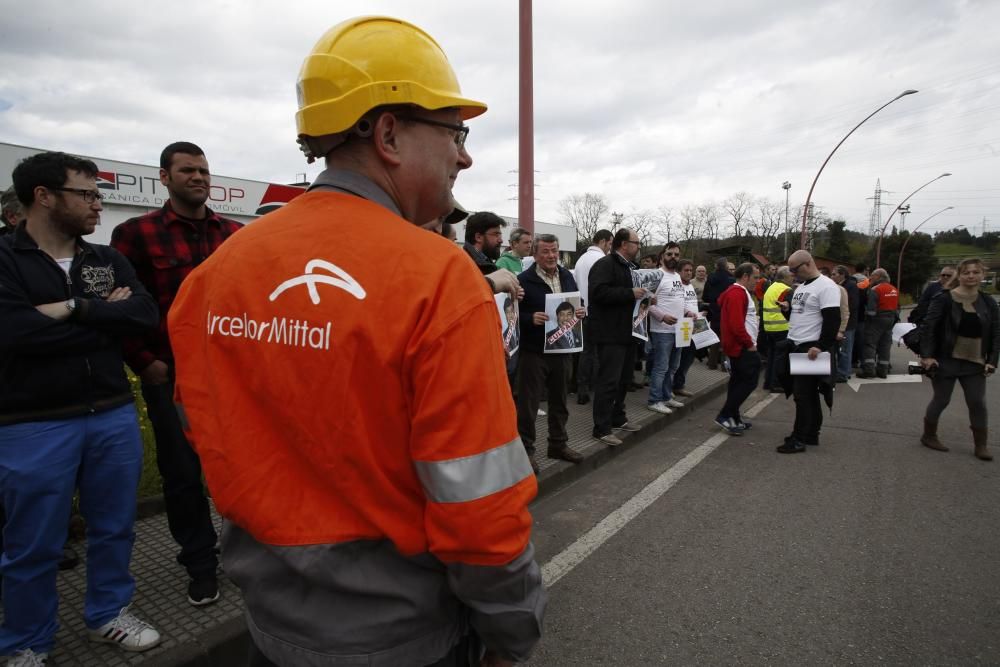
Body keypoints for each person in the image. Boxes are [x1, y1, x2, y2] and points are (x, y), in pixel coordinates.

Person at [167, 16, 545, 667]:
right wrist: (512, 631)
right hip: (407, 638)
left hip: (270, 630)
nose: (465, 155)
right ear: (390, 133)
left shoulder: (215, 275)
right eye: (456, 131)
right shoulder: (437, 276)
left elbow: (208, 433)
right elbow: (479, 502)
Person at [0, 152, 162, 664]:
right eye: (86, 194)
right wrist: (101, 321)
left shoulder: (105, 259)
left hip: (111, 413)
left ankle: (107, 614)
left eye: (99, 194)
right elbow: (14, 334)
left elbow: (142, 314)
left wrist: (73, 309)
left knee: (114, 526)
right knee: (32, 543)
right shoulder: (5, 260)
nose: (98, 204)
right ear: (44, 196)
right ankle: (25, 642)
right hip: (32, 422)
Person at [111, 142, 241, 607]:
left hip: (230, 376)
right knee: (183, 474)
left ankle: (245, 553)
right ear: (163, 177)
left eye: (204, 170)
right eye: (187, 170)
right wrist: (146, 364)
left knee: (238, 464)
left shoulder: (234, 233)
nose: (199, 177)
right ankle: (200, 563)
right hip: (172, 376)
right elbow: (122, 309)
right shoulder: (135, 234)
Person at [516, 234, 586, 472]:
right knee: (529, 404)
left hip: (563, 349)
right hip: (534, 351)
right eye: (545, 251)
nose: (551, 256)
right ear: (534, 254)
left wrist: (581, 311)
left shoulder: (567, 275)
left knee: (560, 400)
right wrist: (529, 318)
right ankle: (525, 451)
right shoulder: (523, 280)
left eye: (554, 250)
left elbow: (577, 301)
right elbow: (511, 315)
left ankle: (558, 444)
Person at [919, 258, 1000, 461]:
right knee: (941, 399)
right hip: (946, 359)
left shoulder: (989, 302)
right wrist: (927, 356)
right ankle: (929, 435)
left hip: (975, 361)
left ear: (983, 275)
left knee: (977, 402)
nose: (971, 276)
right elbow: (930, 326)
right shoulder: (944, 298)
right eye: (966, 272)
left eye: (975, 272)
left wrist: (992, 360)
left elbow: (996, 333)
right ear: (960, 275)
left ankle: (981, 445)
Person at [776, 250, 841, 454]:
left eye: (795, 270)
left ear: (807, 264)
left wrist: (821, 346)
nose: (793, 274)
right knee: (808, 394)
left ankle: (799, 438)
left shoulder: (827, 286)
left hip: (811, 348)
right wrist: (787, 308)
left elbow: (832, 320)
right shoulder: (803, 286)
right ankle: (811, 433)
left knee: (802, 395)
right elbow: (801, 315)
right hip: (798, 345)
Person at [588, 228, 646, 446]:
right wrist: (630, 293)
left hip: (627, 332)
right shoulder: (605, 265)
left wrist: (647, 299)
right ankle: (601, 428)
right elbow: (598, 293)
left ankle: (618, 418)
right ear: (623, 244)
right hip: (609, 333)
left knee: (624, 380)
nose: (638, 246)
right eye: (636, 243)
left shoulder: (632, 268)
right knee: (608, 381)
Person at [647, 242, 693, 415]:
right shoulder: (656, 276)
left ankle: (666, 397)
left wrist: (688, 312)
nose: (673, 257)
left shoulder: (676, 277)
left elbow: (678, 301)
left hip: (680, 330)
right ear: (662, 256)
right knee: (661, 367)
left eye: (676, 255)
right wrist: (662, 316)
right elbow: (646, 304)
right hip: (662, 331)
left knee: (673, 367)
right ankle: (654, 400)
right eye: (669, 254)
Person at [715, 263, 761, 434]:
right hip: (741, 347)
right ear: (745, 276)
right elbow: (736, 324)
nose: (757, 281)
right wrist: (749, 344)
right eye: (755, 277)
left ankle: (733, 416)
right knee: (749, 381)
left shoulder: (738, 293)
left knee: (738, 382)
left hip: (740, 346)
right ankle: (726, 414)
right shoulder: (736, 293)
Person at [573, 229, 613, 404]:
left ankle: (582, 388)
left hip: (583, 310)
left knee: (585, 352)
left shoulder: (581, 259)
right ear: (603, 242)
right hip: (597, 312)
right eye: (610, 244)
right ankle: (595, 387)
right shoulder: (601, 260)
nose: (610, 248)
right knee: (596, 353)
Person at [859, 268, 899, 379]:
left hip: (877, 320)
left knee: (870, 344)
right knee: (885, 346)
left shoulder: (875, 289)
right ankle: (883, 371)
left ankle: (869, 370)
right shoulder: (894, 289)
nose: (870, 277)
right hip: (890, 320)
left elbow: (871, 310)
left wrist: (867, 320)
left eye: (872, 275)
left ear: (879, 276)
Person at [671, 259, 701, 398]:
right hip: (681, 325)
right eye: (686, 270)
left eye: (690, 270)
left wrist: (699, 313)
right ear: (678, 271)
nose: (689, 273)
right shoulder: (677, 285)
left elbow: (691, 304)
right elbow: (675, 304)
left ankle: (679, 385)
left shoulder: (690, 286)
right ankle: (671, 387)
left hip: (693, 325)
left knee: (688, 358)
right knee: (677, 359)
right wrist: (687, 313)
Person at [761, 266, 793, 391]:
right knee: (780, 358)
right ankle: (776, 384)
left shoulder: (771, 287)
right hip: (782, 327)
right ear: (785, 277)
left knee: (772, 356)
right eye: (791, 276)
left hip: (769, 327)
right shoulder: (786, 290)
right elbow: (792, 309)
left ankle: (768, 382)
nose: (793, 278)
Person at [703, 257, 735, 370]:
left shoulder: (710, 278)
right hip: (726, 310)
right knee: (725, 338)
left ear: (716, 266)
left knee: (714, 338)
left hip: (713, 310)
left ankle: (712, 363)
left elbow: (705, 296)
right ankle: (724, 365)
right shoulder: (731, 279)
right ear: (726, 266)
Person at [831, 265, 861, 383]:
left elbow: (852, 305)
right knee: (840, 349)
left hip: (848, 323)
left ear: (842, 274)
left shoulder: (850, 286)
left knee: (845, 349)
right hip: (840, 322)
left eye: (834, 274)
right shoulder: (839, 286)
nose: (832, 276)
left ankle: (843, 373)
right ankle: (841, 370)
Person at [463, 210, 506, 275]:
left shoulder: (485, 261)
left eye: (500, 235)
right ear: (478, 237)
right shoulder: (463, 264)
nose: (501, 240)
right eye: (496, 234)